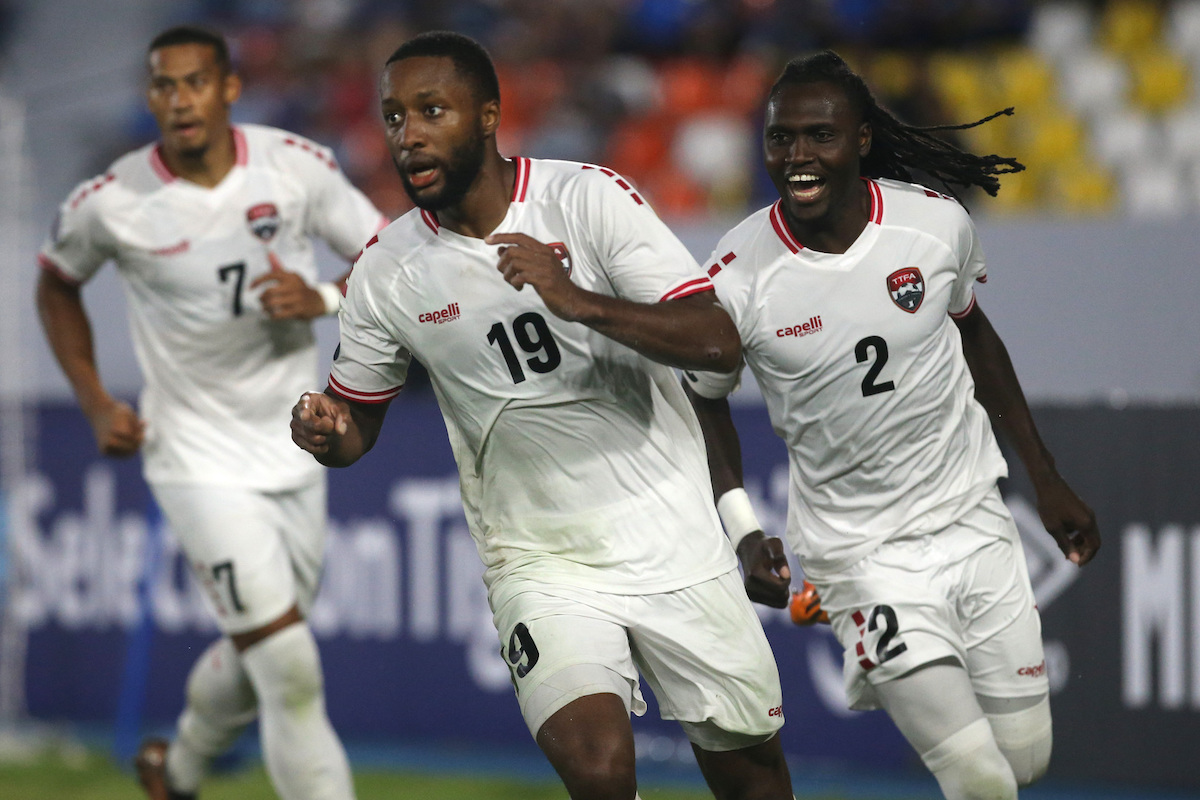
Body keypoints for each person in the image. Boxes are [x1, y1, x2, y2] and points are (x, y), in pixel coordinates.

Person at [290, 31, 793, 800]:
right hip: (539, 561)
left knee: (752, 774)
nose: (409, 134)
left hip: (672, 541)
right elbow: (356, 424)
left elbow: (719, 345)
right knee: (597, 770)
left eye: (432, 110)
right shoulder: (385, 272)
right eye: (393, 117)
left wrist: (575, 300)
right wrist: (328, 434)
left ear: (488, 116)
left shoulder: (586, 199)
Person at [683, 51, 1101, 800]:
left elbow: (977, 337)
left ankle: (864, 648)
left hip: (973, 517)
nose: (797, 158)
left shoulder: (935, 226)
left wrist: (1047, 477)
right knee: (977, 778)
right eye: (781, 139)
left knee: (1026, 760)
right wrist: (743, 531)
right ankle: (863, 627)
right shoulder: (736, 272)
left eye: (819, 136)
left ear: (863, 139)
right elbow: (706, 403)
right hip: (857, 549)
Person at [36, 25, 388, 800]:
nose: (180, 98)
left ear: (229, 88)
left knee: (265, 642)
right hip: (194, 458)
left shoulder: (294, 167)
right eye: (164, 84)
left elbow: (389, 253)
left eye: (196, 81)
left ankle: (179, 772)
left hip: (298, 446)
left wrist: (325, 297)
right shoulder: (113, 201)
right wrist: (94, 400)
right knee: (290, 668)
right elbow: (56, 282)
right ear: (150, 97)